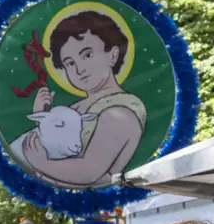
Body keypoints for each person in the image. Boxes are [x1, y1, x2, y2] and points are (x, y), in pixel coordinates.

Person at [19, 10, 148, 187]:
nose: (80, 69)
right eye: (70, 63)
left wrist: (41, 163)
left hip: (96, 197)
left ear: (112, 54)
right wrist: (42, 118)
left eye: (87, 55)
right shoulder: (79, 107)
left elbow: (88, 171)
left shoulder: (120, 112)